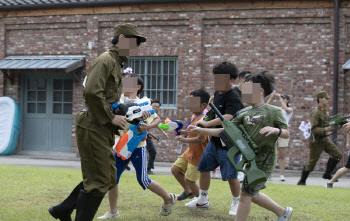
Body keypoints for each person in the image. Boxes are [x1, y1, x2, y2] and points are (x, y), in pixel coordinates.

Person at [48, 23, 146, 221]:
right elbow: (92, 92)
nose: (136, 47)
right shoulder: (106, 60)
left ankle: (62, 209)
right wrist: (111, 117)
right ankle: (66, 212)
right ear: (120, 39)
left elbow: (107, 99)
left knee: (108, 177)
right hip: (92, 126)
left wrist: (126, 112)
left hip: (101, 128)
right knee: (99, 180)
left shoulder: (116, 64)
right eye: (133, 42)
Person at [186, 71, 293, 221]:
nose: (242, 92)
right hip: (250, 160)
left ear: (260, 91)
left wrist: (276, 130)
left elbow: (287, 132)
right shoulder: (243, 113)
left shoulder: (273, 111)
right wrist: (201, 130)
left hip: (265, 161)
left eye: (247, 89)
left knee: (245, 195)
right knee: (252, 194)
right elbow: (226, 131)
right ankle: (283, 212)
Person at [97, 74, 176, 220]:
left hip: (138, 145)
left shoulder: (143, 103)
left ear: (138, 87)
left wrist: (148, 126)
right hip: (121, 146)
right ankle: (113, 212)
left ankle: (168, 198)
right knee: (112, 179)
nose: (123, 84)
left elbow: (156, 118)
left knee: (143, 180)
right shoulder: (117, 99)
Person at [185, 61, 244, 216]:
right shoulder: (217, 94)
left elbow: (228, 117)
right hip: (215, 142)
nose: (217, 82)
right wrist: (201, 123)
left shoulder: (234, 97)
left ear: (232, 80)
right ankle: (202, 200)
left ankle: (237, 203)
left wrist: (205, 124)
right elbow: (214, 112)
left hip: (230, 144)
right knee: (203, 168)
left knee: (231, 176)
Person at [171, 89, 210, 201]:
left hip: (199, 155)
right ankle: (189, 192)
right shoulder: (194, 115)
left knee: (190, 181)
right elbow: (192, 131)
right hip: (190, 152)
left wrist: (184, 140)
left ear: (203, 105)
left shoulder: (203, 119)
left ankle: (202, 201)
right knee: (175, 169)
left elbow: (201, 140)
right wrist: (182, 132)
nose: (190, 105)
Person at [297, 91, 342, 185]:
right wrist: (326, 129)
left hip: (324, 139)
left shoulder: (324, 110)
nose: (328, 100)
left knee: (337, 154)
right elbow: (313, 129)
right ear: (320, 99)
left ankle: (327, 173)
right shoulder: (316, 112)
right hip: (316, 141)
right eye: (326, 98)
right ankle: (302, 181)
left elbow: (327, 123)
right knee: (312, 163)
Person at [266, 92, 293, 181]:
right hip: (275, 132)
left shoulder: (289, 109)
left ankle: (282, 175)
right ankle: (269, 173)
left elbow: (286, 109)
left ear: (287, 100)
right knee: (271, 153)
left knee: (282, 155)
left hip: (284, 132)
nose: (281, 99)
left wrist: (280, 98)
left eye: (284, 98)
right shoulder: (276, 109)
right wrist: (271, 96)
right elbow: (266, 106)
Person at [147, 99, 169, 175]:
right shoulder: (147, 112)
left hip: (145, 135)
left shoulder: (154, 115)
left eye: (157, 107)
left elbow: (155, 124)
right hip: (140, 135)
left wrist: (163, 132)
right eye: (154, 106)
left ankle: (148, 169)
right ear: (150, 106)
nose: (155, 108)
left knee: (152, 151)